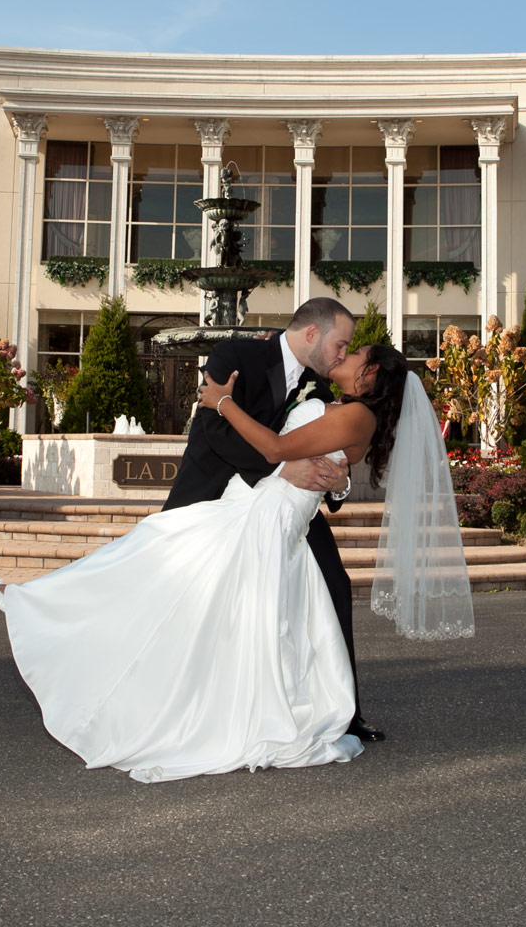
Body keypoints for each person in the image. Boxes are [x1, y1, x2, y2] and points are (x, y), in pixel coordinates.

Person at [0, 339, 473, 783]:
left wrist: (222, 402)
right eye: (346, 345)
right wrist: (332, 476)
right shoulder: (343, 406)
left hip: (266, 523)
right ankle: (61, 617)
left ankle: (57, 617)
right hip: (263, 512)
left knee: (178, 571)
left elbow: (277, 446)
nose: (348, 354)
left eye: (359, 353)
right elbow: (311, 463)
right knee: (183, 575)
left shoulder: (355, 415)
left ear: (373, 375)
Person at [160, 298, 379, 740]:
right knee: (182, 593)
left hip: (285, 507)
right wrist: (281, 467)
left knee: (334, 584)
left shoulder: (319, 385)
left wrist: (338, 483)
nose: (343, 354)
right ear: (313, 334)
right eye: (341, 344)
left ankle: (344, 712)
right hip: (216, 492)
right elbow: (213, 428)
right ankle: (178, 698)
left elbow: (326, 445)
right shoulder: (235, 355)